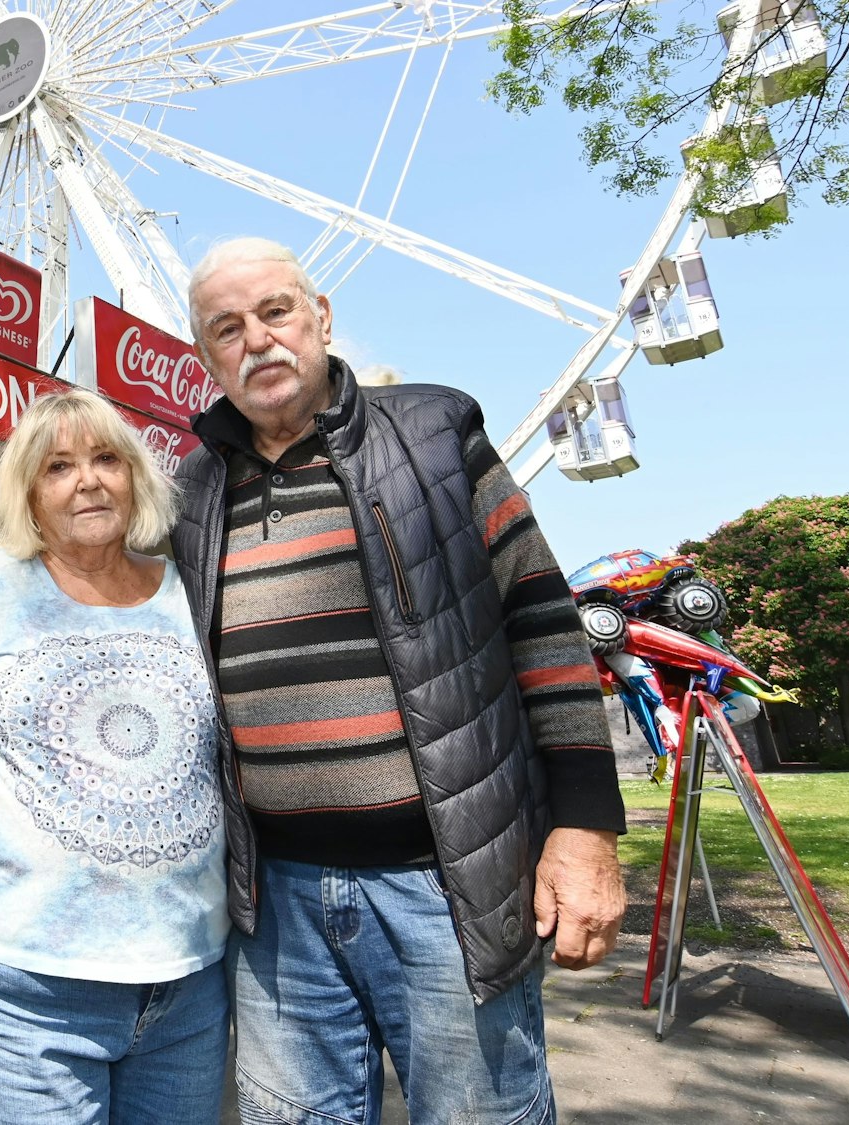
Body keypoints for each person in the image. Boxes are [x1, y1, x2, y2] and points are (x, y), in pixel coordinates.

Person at [169, 237, 627, 1124]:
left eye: (275, 311)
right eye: (227, 328)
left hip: (443, 887)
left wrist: (585, 829)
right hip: (275, 906)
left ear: (320, 317)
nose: (257, 339)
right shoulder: (194, 489)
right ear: (206, 356)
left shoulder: (434, 436)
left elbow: (542, 623)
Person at [0, 389, 230, 1125]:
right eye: (58, 467)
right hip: (30, 985)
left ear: (136, 477)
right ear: (29, 495)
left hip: (187, 978)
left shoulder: (188, 593)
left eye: (106, 459)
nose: (87, 480)